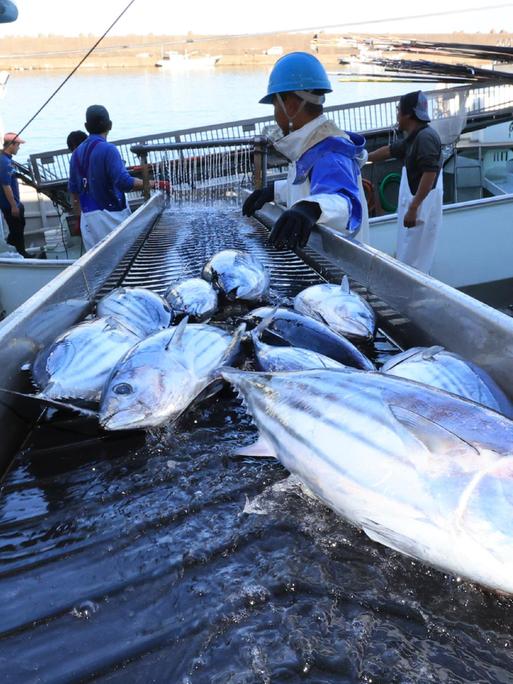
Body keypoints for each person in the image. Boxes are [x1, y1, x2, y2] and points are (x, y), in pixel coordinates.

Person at [243, 51, 369, 250]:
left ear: (291, 105)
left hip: (338, 271)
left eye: (275, 106)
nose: (275, 115)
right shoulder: (313, 145)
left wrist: (310, 208)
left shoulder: (330, 152)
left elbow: (344, 202)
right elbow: (311, 186)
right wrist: (274, 191)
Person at [368, 90, 443, 273]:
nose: (397, 115)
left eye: (398, 110)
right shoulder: (413, 137)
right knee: (409, 256)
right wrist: (362, 158)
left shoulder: (425, 138)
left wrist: (413, 206)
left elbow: (430, 173)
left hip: (420, 210)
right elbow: (389, 151)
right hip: (415, 210)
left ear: (408, 114)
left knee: (416, 261)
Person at [68, 105, 152, 251]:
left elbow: (74, 191)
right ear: (110, 125)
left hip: (88, 221)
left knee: (99, 267)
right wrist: (152, 183)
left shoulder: (75, 155)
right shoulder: (108, 149)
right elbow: (124, 182)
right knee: (123, 263)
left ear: (86, 126)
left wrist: (79, 218)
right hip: (110, 219)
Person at [0, 131, 31, 257]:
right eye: (18, 144)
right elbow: (6, 186)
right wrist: (13, 206)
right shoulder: (4, 162)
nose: (19, 147)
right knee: (16, 231)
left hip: (14, 202)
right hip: (9, 204)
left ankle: (11, 247)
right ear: (11, 145)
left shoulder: (6, 159)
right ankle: (22, 254)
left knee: (19, 225)